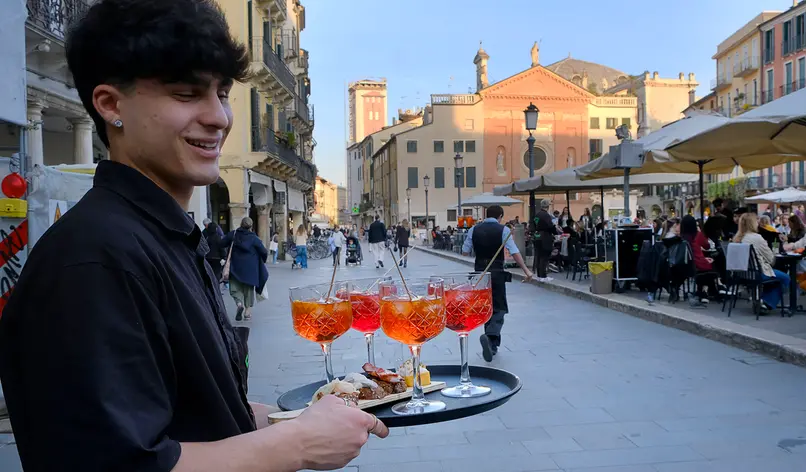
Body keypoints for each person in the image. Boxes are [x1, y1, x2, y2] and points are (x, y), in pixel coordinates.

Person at [0, 2, 388, 471]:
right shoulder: (94, 259)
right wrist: (300, 444)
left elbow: (196, 415)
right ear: (111, 105)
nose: (219, 117)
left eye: (222, 93)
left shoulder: (165, 238)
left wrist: (300, 419)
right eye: (186, 94)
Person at [461, 205, 533, 362]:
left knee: (485, 306)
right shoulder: (503, 230)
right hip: (497, 273)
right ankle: (491, 338)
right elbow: (514, 252)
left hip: (479, 273)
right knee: (499, 308)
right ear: (500, 216)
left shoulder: (474, 229)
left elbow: (465, 251)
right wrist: (526, 270)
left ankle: (491, 343)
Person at [734, 213, 789, 312]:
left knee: (776, 279)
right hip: (758, 273)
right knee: (786, 278)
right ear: (752, 223)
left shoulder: (737, 238)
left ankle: (763, 301)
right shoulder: (757, 238)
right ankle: (766, 302)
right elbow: (771, 259)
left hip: (743, 274)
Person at [223, 217, 268, 321]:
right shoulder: (254, 238)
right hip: (250, 268)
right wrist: (262, 260)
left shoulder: (233, 234)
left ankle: (239, 304)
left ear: (241, 224)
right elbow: (264, 251)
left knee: (234, 288)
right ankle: (247, 313)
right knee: (248, 290)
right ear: (251, 226)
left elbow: (222, 243)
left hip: (235, 267)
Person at [532, 199, 558, 282]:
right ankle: (543, 276)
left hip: (537, 236)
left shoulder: (537, 215)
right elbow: (550, 226)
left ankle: (539, 275)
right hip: (545, 237)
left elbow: (533, 225)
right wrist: (556, 232)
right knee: (544, 257)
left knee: (539, 256)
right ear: (547, 206)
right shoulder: (546, 215)